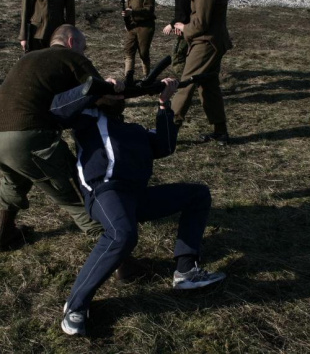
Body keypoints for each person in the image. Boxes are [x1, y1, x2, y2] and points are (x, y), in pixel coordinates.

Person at [50, 78, 226, 336]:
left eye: (119, 95)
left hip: (136, 196)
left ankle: (186, 270)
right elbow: (56, 109)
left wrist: (164, 104)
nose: (117, 96)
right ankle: (75, 305)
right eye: (111, 93)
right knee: (123, 234)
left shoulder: (134, 130)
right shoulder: (85, 119)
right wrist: (99, 87)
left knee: (197, 195)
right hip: (105, 191)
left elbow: (165, 146)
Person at [0, 25, 102, 251]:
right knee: (75, 195)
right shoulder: (71, 57)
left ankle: (4, 234)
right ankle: (122, 262)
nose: (85, 55)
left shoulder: (29, 58)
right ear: (71, 42)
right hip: (27, 138)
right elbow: (100, 92)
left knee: (14, 180)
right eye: (84, 49)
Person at [173, 0, 233, 146]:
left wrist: (184, 28)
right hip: (212, 42)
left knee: (186, 84)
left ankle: (167, 129)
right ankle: (220, 131)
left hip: (206, 43)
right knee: (208, 87)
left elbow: (201, 23)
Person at [162, 0, 196, 77]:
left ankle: (187, 84)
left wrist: (172, 25)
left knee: (177, 58)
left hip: (185, 30)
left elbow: (182, 15)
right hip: (193, 28)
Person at [122, 0, 156, 78]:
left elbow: (149, 9)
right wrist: (126, 20)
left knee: (143, 53)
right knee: (129, 51)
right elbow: (128, 8)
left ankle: (147, 77)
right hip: (132, 26)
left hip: (145, 26)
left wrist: (132, 12)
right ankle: (128, 78)